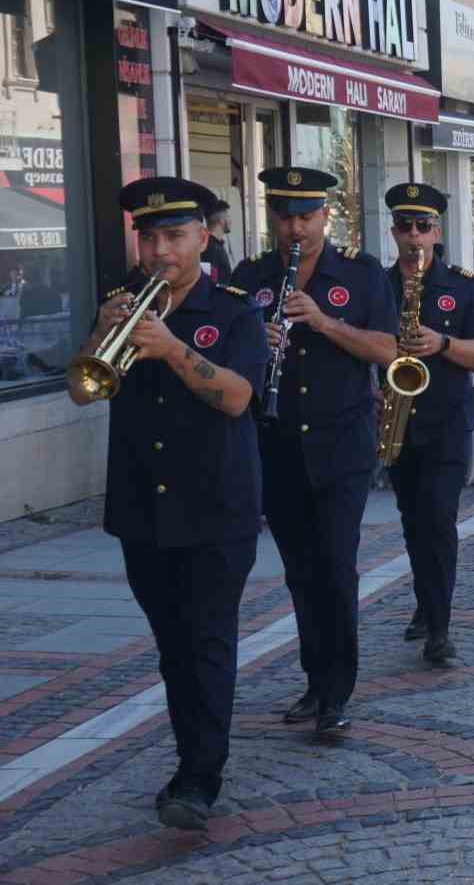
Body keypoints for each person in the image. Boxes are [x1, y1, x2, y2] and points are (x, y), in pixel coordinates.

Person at [77, 178, 263, 830]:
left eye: (174, 237)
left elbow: (239, 396)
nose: (160, 251)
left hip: (216, 508)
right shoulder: (119, 304)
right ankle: (192, 758)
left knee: (207, 642)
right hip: (142, 509)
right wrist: (101, 337)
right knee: (172, 646)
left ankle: (198, 778)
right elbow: (84, 390)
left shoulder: (235, 312)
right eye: (149, 237)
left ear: (201, 239)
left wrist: (176, 349)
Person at [232, 167, 398, 736]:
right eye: (283, 215)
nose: (293, 227)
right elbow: (229, 360)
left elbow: (387, 348)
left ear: (326, 215)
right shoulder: (251, 276)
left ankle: (337, 692)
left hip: (341, 446)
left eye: (305, 215)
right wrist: (256, 343)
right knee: (300, 572)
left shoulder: (360, 273)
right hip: (277, 445)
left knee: (336, 567)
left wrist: (324, 322)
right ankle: (314, 679)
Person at [381, 184, 474, 664]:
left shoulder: (464, 286)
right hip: (394, 420)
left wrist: (442, 345)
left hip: (446, 422)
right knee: (413, 522)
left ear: (436, 230)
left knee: (440, 522)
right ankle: (426, 604)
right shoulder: (378, 284)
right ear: (393, 231)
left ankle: (440, 628)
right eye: (404, 226)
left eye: (422, 226)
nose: (413, 235)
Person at [201, 198, 233, 284]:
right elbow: (211, 284)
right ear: (221, 220)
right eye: (228, 216)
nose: (231, 221)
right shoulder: (212, 248)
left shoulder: (211, 245)